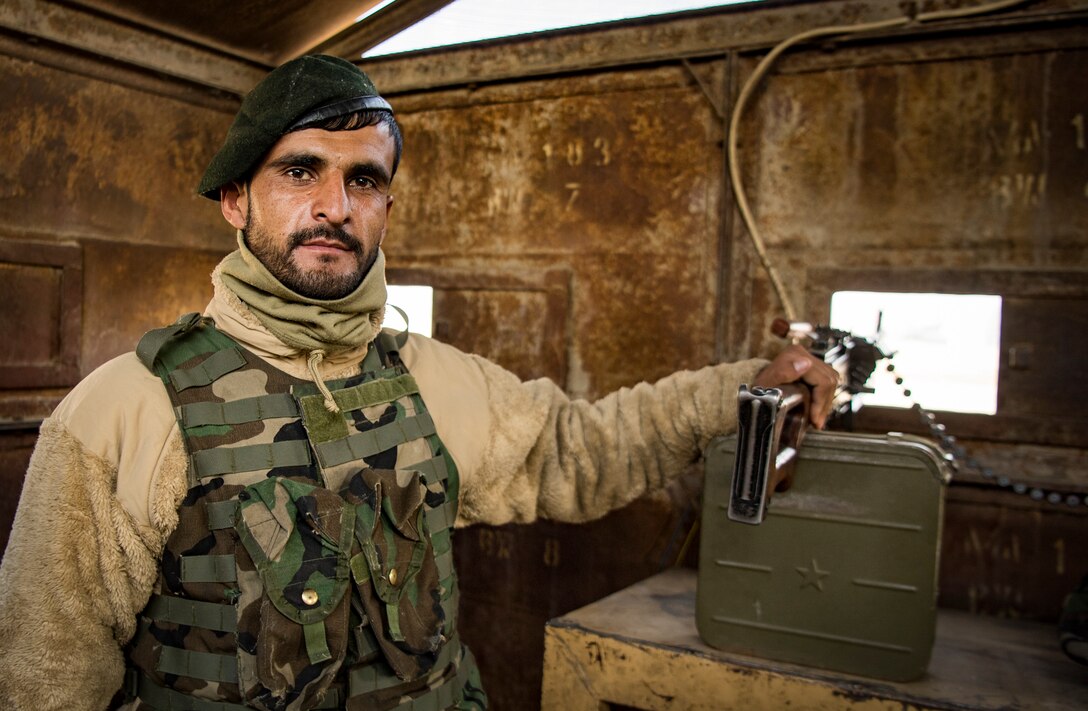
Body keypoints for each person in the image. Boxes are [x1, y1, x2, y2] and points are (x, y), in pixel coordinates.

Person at [0, 55, 836, 710]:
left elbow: (582, 449)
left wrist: (739, 390)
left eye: (363, 178)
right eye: (300, 171)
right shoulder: (124, 409)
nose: (334, 204)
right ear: (234, 199)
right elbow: (46, 675)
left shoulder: (433, 379)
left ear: (387, 207)